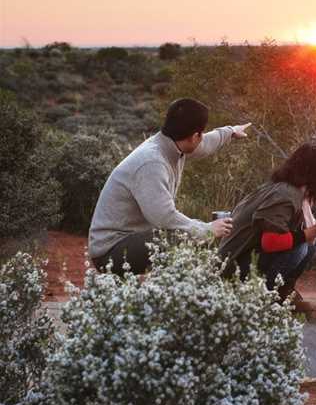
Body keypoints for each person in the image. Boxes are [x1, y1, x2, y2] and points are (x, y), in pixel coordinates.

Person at [88, 98, 251, 275]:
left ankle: (171, 295)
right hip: (110, 250)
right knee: (179, 238)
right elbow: (164, 218)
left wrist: (230, 132)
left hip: (131, 240)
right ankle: (175, 297)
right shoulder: (152, 162)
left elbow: (204, 145)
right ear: (194, 136)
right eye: (201, 134)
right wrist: (207, 230)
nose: (202, 137)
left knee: (187, 234)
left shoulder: (172, 143)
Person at [218, 143, 316, 301]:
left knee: (311, 243)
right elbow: (270, 242)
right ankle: (264, 296)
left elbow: (311, 236)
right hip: (231, 269)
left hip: (245, 259)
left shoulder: (295, 192)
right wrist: (314, 231)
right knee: (300, 248)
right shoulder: (285, 194)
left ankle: (284, 290)